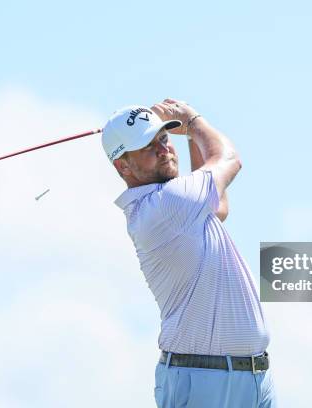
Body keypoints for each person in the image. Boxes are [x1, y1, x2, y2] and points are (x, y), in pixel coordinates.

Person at [102, 99, 277, 407]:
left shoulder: (177, 205)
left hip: (252, 377)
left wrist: (189, 137)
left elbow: (218, 207)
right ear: (123, 166)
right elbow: (229, 158)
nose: (164, 149)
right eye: (148, 146)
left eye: (164, 139)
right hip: (202, 381)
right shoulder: (167, 205)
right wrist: (192, 121)